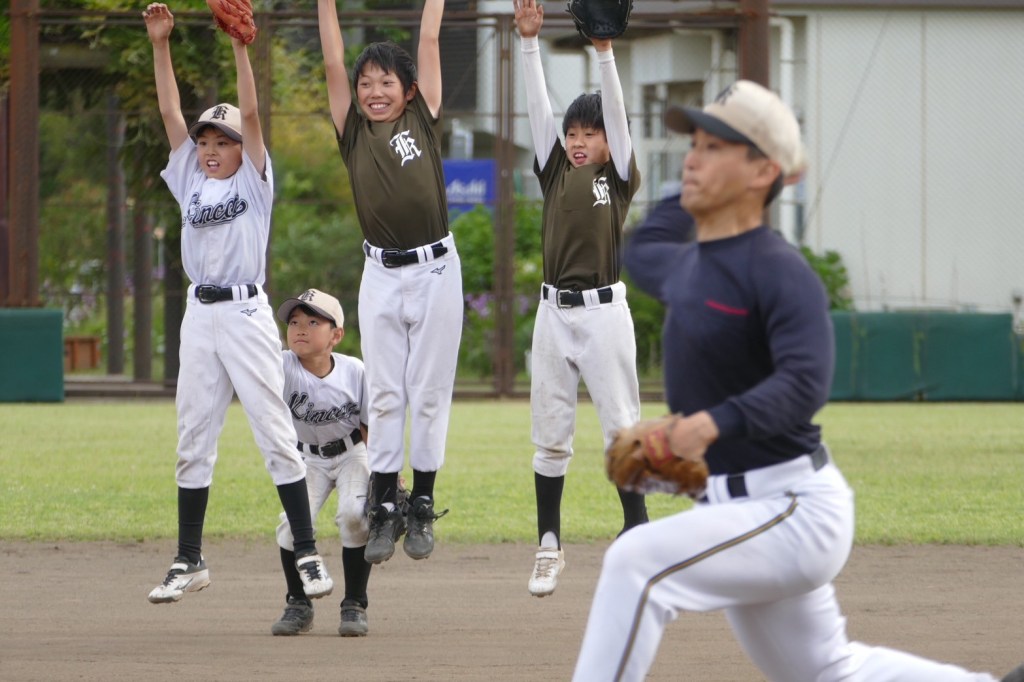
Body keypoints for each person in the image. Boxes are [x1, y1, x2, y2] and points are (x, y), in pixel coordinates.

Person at [571, 79, 1024, 682]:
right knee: (827, 671)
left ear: (763, 171)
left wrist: (705, 425)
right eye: (695, 143)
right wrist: (709, 186)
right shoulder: (688, 267)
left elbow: (805, 383)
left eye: (715, 147)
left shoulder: (780, 272)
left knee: (636, 560)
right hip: (738, 507)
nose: (692, 159)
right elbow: (645, 242)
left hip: (793, 507)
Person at [143, 3, 332, 605]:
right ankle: (188, 558)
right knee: (192, 437)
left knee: (276, 433)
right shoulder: (190, 178)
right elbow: (169, 110)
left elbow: (250, 111)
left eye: (220, 139)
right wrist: (160, 44)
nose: (210, 146)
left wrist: (240, 48)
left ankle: (306, 551)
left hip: (248, 314)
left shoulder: (254, 178)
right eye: (205, 138)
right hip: (200, 316)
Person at [316, 0, 460, 565]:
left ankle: (421, 503)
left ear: (409, 90)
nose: (375, 90)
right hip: (380, 271)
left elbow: (428, 37)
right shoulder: (351, 131)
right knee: (384, 394)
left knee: (427, 392)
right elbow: (331, 61)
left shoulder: (421, 118)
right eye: (366, 82)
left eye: (387, 82)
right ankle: (384, 507)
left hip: (437, 270)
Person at [513, 0, 646, 599]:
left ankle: (637, 533)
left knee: (621, 428)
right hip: (552, 315)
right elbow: (538, 109)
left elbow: (615, 113)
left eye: (588, 133)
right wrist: (528, 42)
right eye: (573, 132)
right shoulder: (553, 170)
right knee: (549, 434)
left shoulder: (616, 178)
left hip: (604, 314)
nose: (578, 139)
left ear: (608, 142)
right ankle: (549, 545)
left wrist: (604, 54)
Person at [269, 288, 374, 637]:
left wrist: (388, 477)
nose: (300, 328)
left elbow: (369, 425)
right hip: (306, 459)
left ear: (336, 335)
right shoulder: (282, 366)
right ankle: (298, 603)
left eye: (313, 322)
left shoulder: (354, 370)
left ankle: (355, 604)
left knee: (354, 516)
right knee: (289, 526)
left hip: (352, 454)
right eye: (295, 321)